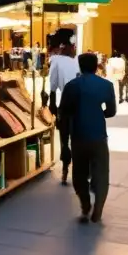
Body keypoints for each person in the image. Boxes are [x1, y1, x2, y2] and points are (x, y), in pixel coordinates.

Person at [59, 53, 116, 223]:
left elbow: (64, 114)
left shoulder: (72, 86)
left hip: (78, 136)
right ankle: (98, 208)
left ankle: (85, 204)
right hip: (99, 135)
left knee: (79, 174)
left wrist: (64, 142)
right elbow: (111, 111)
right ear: (96, 66)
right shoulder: (106, 85)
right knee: (102, 173)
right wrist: (99, 113)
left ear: (80, 66)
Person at [48, 29, 81, 185]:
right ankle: (78, 170)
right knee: (77, 138)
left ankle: (65, 170)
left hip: (65, 106)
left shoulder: (55, 61)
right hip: (80, 106)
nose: (74, 48)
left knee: (64, 138)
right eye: (73, 45)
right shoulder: (76, 61)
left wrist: (52, 106)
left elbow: (53, 86)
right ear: (67, 46)